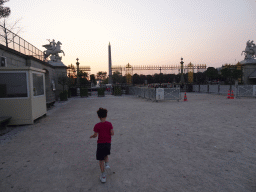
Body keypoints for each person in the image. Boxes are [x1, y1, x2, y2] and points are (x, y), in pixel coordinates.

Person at [90, 108, 114, 183]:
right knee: (106, 155)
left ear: (98, 116)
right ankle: (107, 164)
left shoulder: (97, 125)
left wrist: (92, 136)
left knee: (101, 160)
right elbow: (112, 133)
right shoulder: (109, 124)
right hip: (108, 143)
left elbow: (95, 135)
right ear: (106, 116)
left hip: (100, 143)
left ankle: (103, 176)